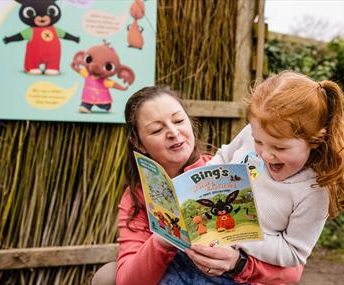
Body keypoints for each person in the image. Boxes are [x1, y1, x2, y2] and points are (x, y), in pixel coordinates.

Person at [92, 85, 305, 285]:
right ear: (139, 144)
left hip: (234, 276)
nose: (174, 133)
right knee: (106, 276)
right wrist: (164, 239)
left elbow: (293, 271)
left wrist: (238, 263)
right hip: (176, 277)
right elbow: (128, 281)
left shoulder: (228, 173)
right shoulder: (138, 196)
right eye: (157, 130)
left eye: (178, 121)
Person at [207, 71, 344, 269]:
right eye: (258, 141)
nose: (265, 155)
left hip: (242, 273)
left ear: (315, 140)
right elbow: (224, 156)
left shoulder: (315, 190)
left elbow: (294, 252)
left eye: (279, 148)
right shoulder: (256, 133)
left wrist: (238, 235)